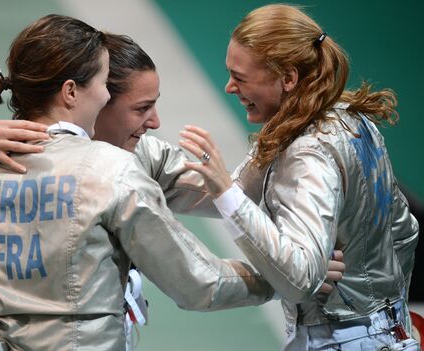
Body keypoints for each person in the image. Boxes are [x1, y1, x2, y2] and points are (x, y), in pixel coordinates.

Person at [0, 18, 344, 349]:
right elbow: (199, 284)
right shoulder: (114, 172)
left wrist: (8, 308)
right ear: (71, 92)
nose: (106, 94)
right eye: (106, 84)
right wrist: (286, 275)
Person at [176, 4, 419, 350]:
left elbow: (300, 278)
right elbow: (404, 230)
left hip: (339, 338)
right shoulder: (351, 120)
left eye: (240, 77)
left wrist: (227, 193)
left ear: (288, 79)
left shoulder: (307, 152)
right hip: (390, 331)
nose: (230, 87)